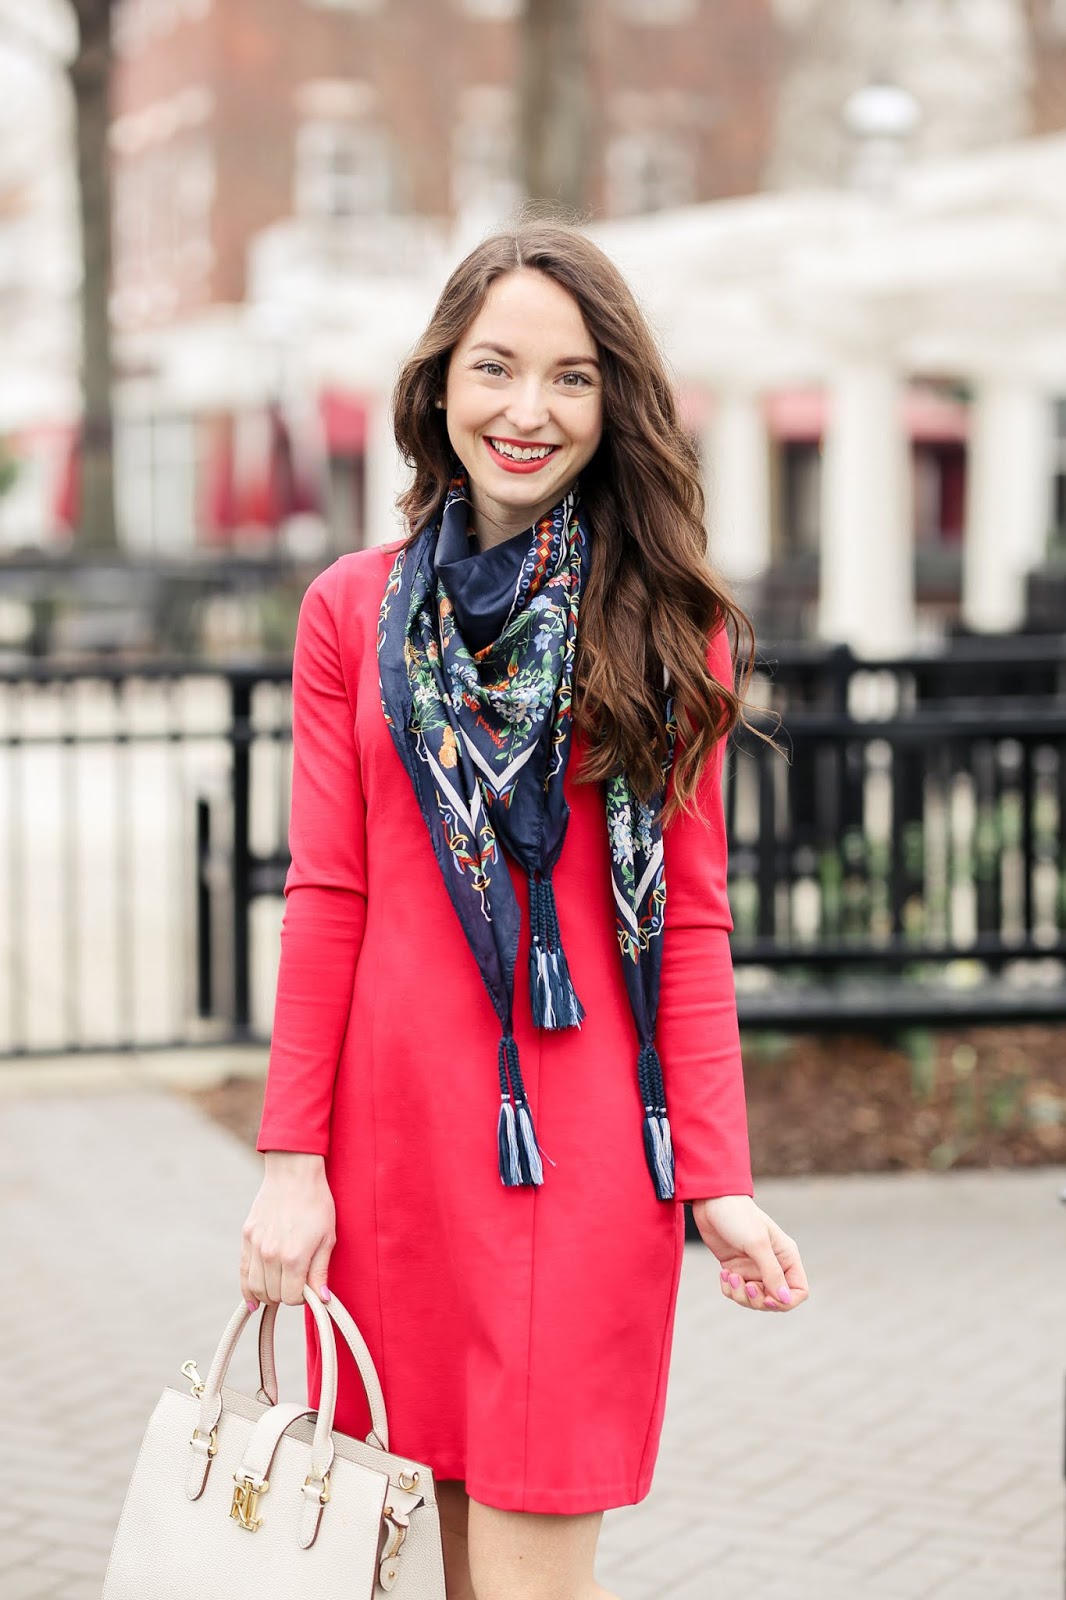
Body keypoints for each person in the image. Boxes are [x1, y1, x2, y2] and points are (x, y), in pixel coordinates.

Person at [240, 218, 809, 1600]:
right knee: (419, 1565)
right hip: (389, 1152)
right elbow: (330, 893)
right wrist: (287, 1160)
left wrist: (714, 1177)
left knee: (527, 1576)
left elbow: (685, 917)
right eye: (496, 368)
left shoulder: (665, 623)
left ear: (614, 404)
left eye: (571, 378)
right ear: (440, 385)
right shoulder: (349, 613)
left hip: (584, 1153)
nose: (527, 410)